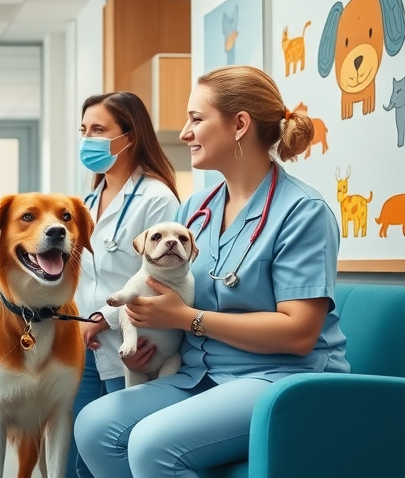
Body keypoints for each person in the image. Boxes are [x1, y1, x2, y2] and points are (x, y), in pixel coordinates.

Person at [74, 65, 349, 477]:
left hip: (280, 379)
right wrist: (155, 338)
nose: (184, 133)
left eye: (196, 119)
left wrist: (186, 319)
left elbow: (298, 333)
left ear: (240, 125)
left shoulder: (303, 213)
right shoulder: (194, 211)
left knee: (151, 444)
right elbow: (166, 297)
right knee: (95, 427)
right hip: (200, 372)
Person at [68, 91, 181, 478]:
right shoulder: (86, 201)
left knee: (114, 456)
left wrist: (106, 316)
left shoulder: (156, 197)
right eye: (83, 130)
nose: (88, 139)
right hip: (81, 343)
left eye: (98, 129)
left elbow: (162, 276)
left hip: (131, 346)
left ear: (129, 136)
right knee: (76, 460)